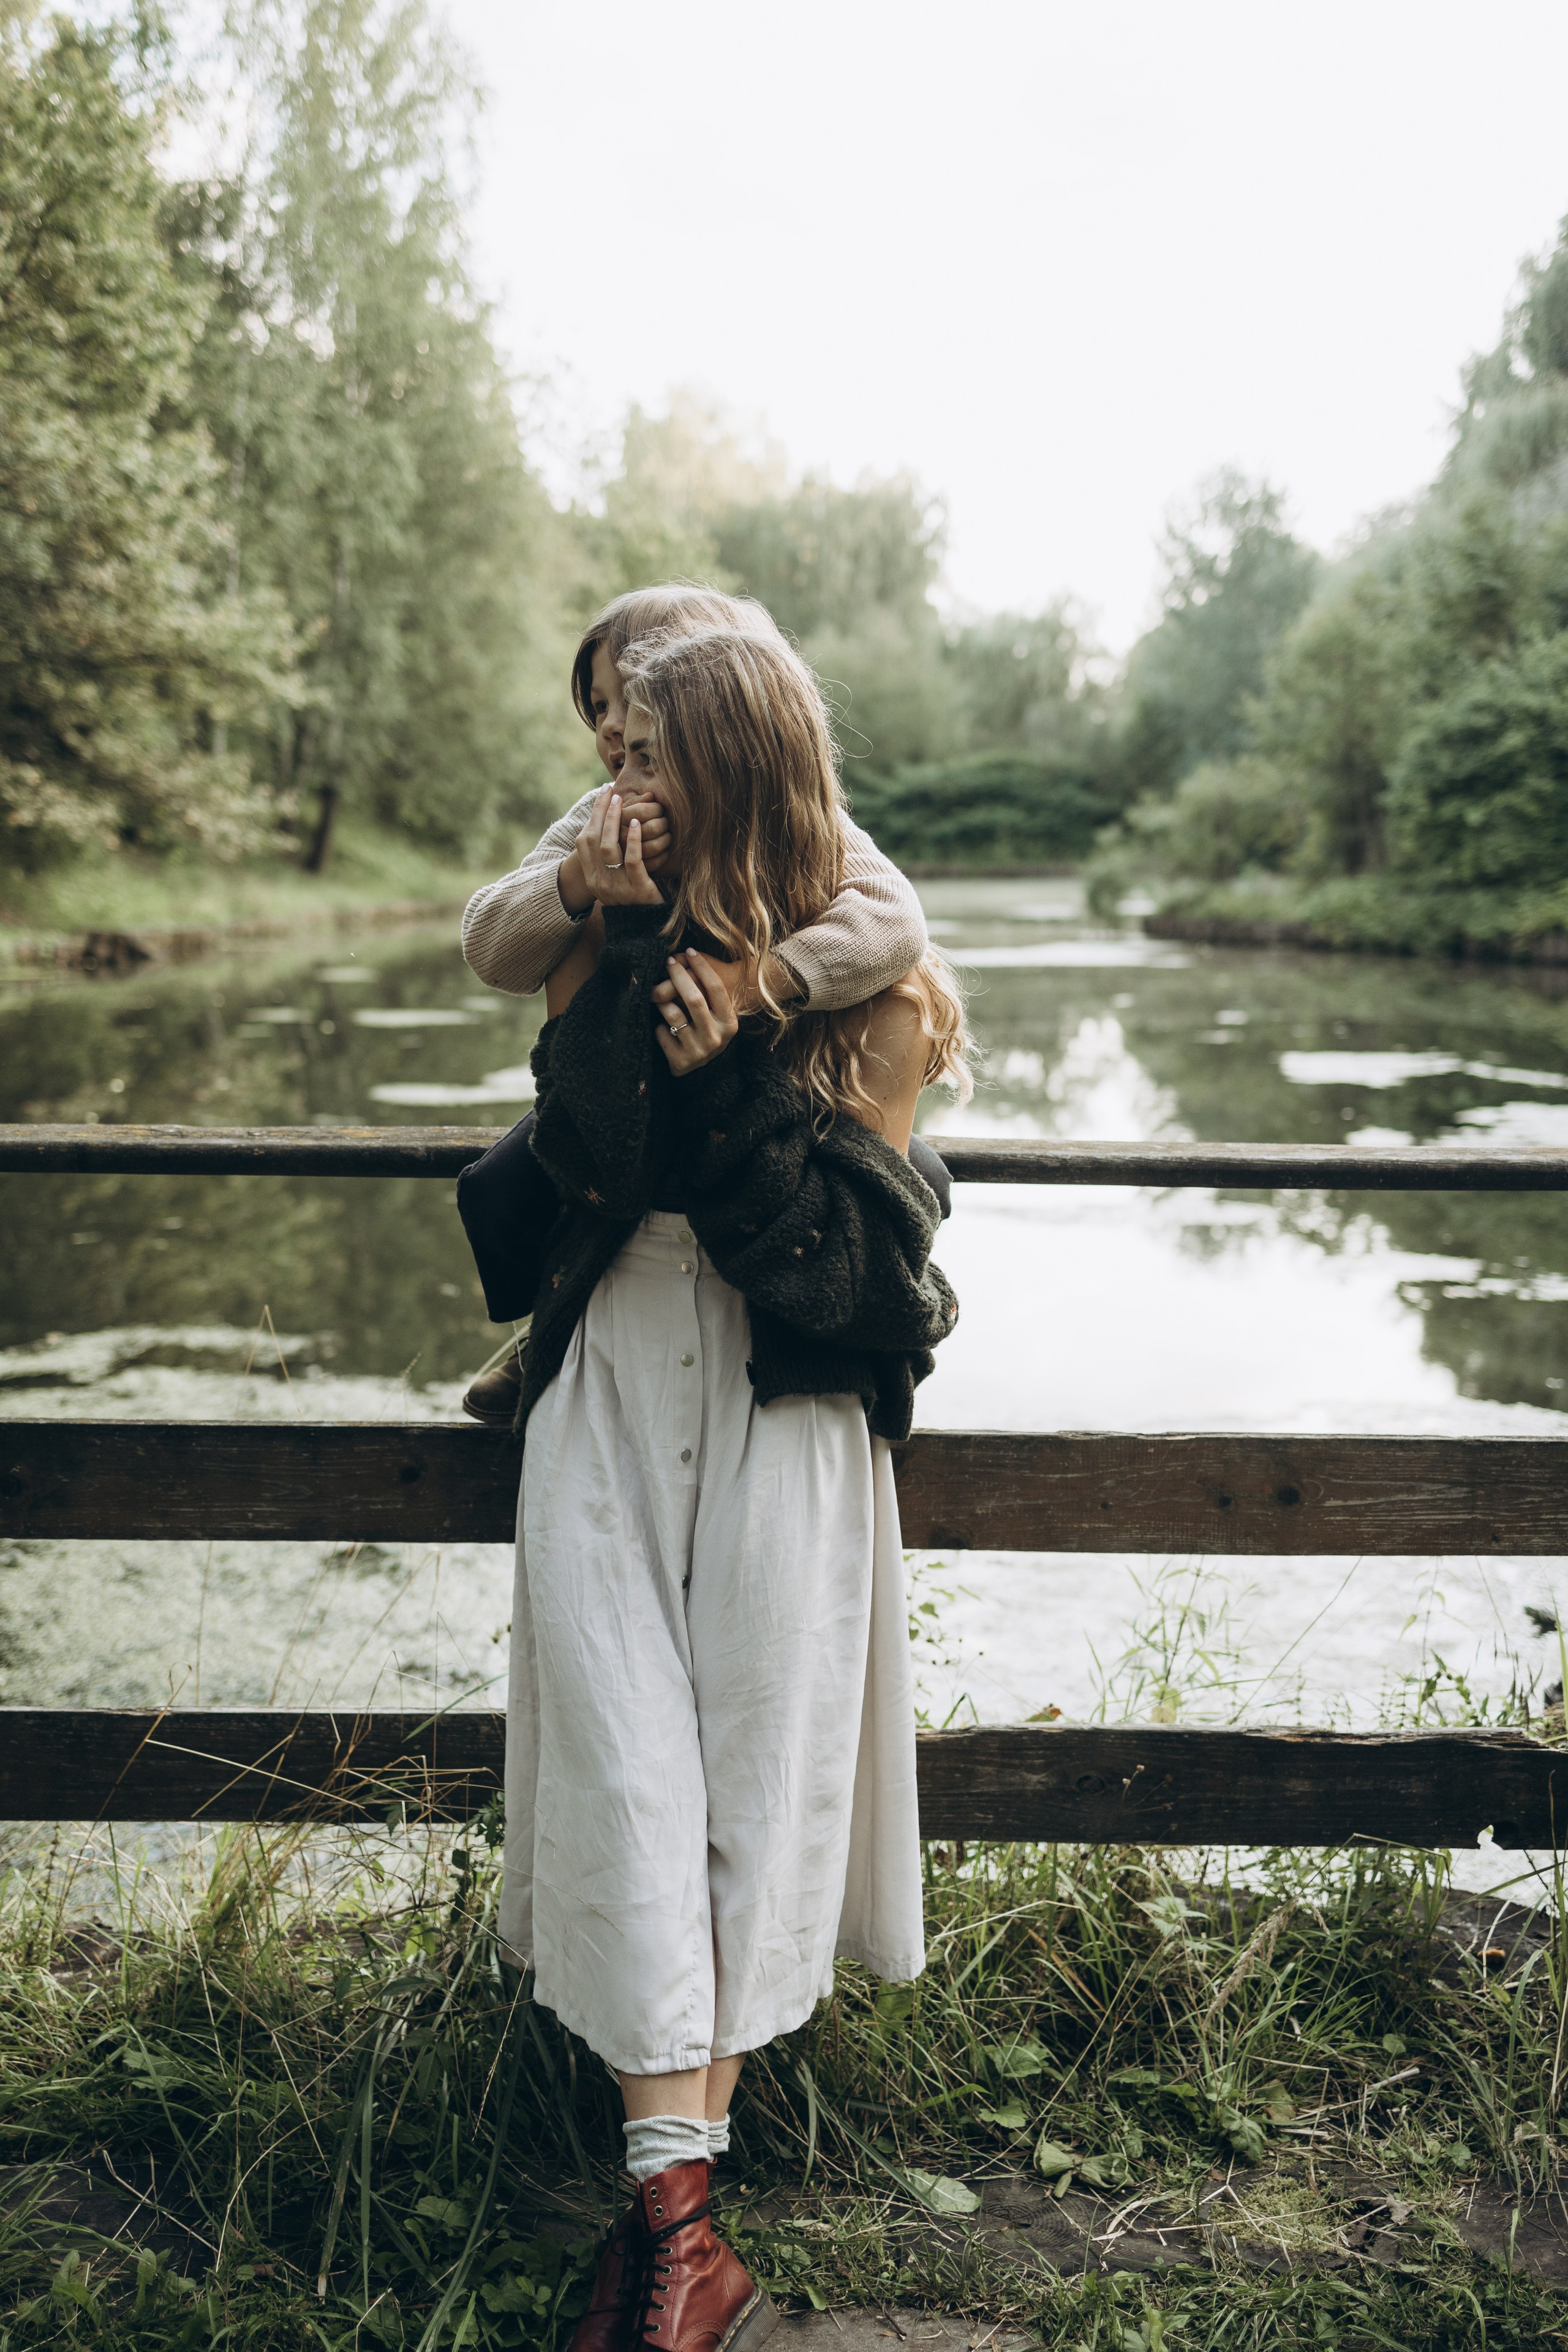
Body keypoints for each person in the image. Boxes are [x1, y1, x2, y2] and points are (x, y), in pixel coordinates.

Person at [496, 625, 970, 2352]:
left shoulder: (886, 996)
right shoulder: (604, 935)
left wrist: (734, 1080)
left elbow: (844, 1284)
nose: (620, 782)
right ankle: (686, 2243)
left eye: (652, 755)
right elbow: (575, 1171)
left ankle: (668, 2238)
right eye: (615, 751)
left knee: (745, 1812)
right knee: (625, 1778)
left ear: (740, 767)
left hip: (786, 1408)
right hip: (611, 1388)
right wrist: (619, 964)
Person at [458, 583, 945, 1424]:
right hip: (634, 1083)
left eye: (628, 700)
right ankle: (547, 1328)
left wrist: (759, 981)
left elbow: (895, 920)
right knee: (508, 1186)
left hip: (768, 1082)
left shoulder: (796, 818)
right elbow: (491, 945)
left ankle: (873, 1356)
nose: (610, 730)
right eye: (600, 707)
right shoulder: (600, 817)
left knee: (918, 1182)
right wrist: (580, 881)